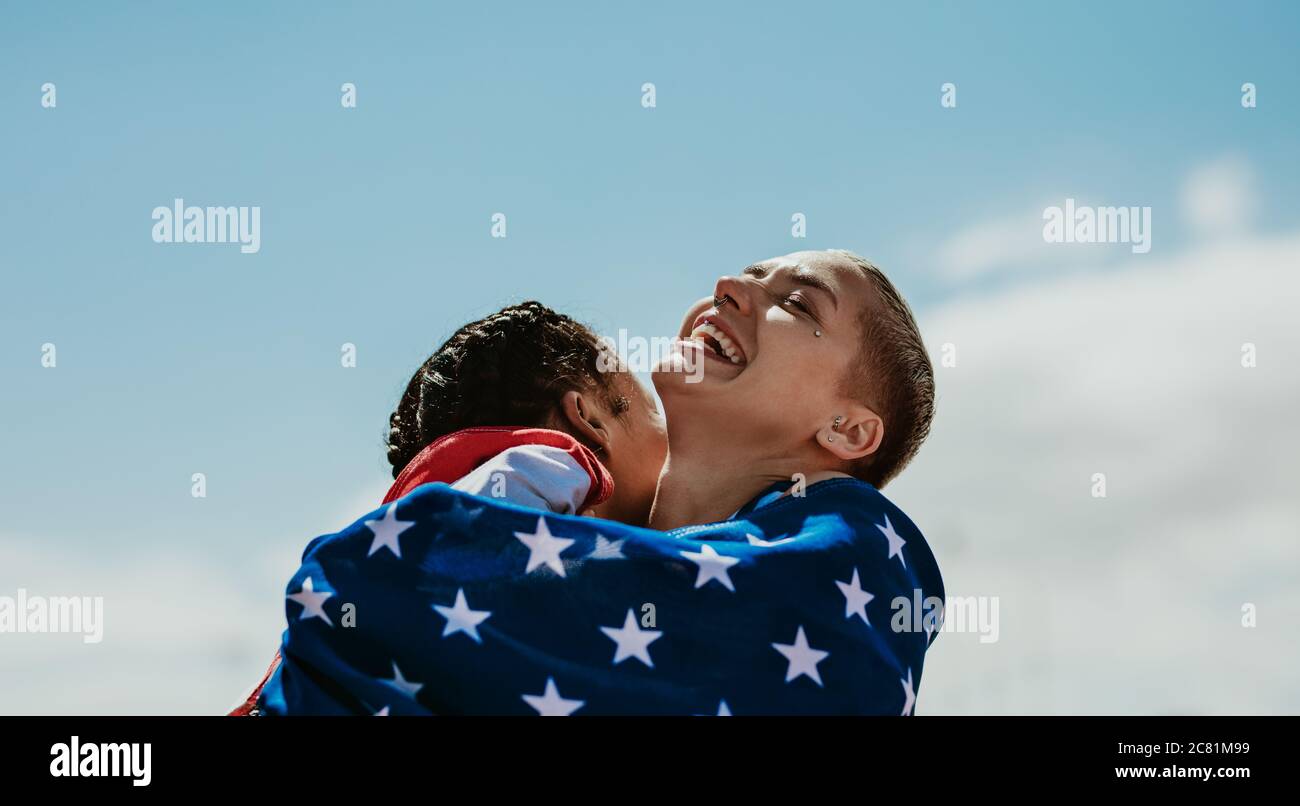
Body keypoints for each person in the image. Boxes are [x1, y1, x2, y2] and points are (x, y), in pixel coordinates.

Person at [254, 249, 945, 715]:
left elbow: (378, 582)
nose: (728, 287)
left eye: (796, 305)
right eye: (745, 275)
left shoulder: (858, 561)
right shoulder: (574, 539)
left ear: (848, 431)